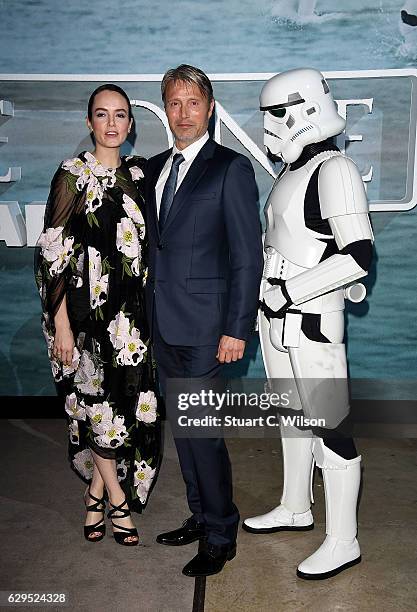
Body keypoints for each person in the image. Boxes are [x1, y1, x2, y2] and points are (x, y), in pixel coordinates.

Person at [242, 68, 374, 579]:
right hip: (274, 319)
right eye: (268, 114)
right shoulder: (292, 174)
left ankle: (344, 539)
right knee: (292, 418)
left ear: (307, 109)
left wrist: (289, 292)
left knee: (331, 428)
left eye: (278, 113)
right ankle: (296, 504)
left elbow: (358, 255)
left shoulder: (335, 170)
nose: (271, 125)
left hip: (312, 319)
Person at [145, 65, 263, 577]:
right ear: (164, 109)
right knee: (184, 434)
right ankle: (199, 515)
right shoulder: (151, 169)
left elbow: (246, 256)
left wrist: (237, 327)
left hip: (208, 330)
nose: (183, 113)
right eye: (174, 102)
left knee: (204, 436)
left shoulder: (230, 169)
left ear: (210, 107)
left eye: (193, 102)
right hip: (160, 326)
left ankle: (220, 533)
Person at [35, 84, 162, 546]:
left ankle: (93, 495)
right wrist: (62, 324)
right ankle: (117, 502)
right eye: (102, 115)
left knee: (125, 413)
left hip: (132, 323)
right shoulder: (71, 175)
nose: (112, 123)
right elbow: (53, 254)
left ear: (131, 125)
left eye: (121, 115)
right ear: (89, 123)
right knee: (100, 411)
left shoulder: (140, 175)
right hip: (84, 323)